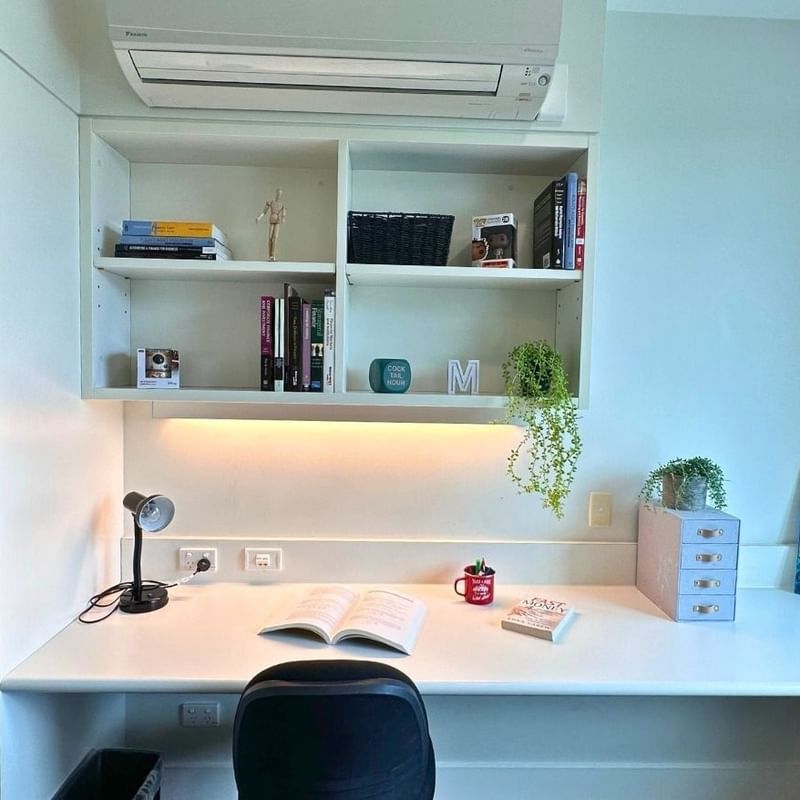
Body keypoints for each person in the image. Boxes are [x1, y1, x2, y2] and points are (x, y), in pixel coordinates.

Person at [256, 189, 287, 261]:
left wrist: (283, 218)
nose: (279, 195)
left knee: (275, 238)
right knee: (270, 238)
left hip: (277, 221)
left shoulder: (281, 204)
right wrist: (259, 217)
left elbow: (284, 214)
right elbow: (264, 211)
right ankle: (270, 256)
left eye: (280, 194)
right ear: (276, 193)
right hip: (272, 220)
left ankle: (273, 256)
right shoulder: (271, 202)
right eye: (278, 193)